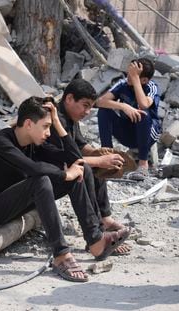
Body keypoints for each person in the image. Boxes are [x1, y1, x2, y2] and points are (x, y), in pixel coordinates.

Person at [0, 96, 130, 282]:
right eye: (46, 126)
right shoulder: (1, 142)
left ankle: (95, 240)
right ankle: (61, 255)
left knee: (82, 170)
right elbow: (33, 168)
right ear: (29, 124)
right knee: (42, 181)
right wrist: (64, 175)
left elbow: (75, 158)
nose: (49, 132)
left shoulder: (33, 143)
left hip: (18, 198)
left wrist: (56, 122)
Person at [46, 79, 131, 255]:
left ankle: (104, 221)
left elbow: (80, 146)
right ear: (69, 99)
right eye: (85, 105)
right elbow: (66, 161)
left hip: (58, 170)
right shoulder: (56, 121)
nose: (87, 112)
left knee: (98, 164)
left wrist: (99, 153)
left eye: (90, 107)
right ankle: (96, 236)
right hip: (45, 179)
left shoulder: (71, 116)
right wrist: (98, 161)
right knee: (86, 170)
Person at [97, 58, 161, 180]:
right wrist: (123, 106)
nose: (128, 77)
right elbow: (100, 102)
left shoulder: (151, 87)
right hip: (127, 133)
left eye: (132, 75)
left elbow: (144, 105)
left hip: (148, 134)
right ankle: (108, 157)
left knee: (143, 113)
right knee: (104, 111)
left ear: (144, 80)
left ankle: (143, 165)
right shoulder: (123, 84)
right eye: (129, 73)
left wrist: (136, 79)